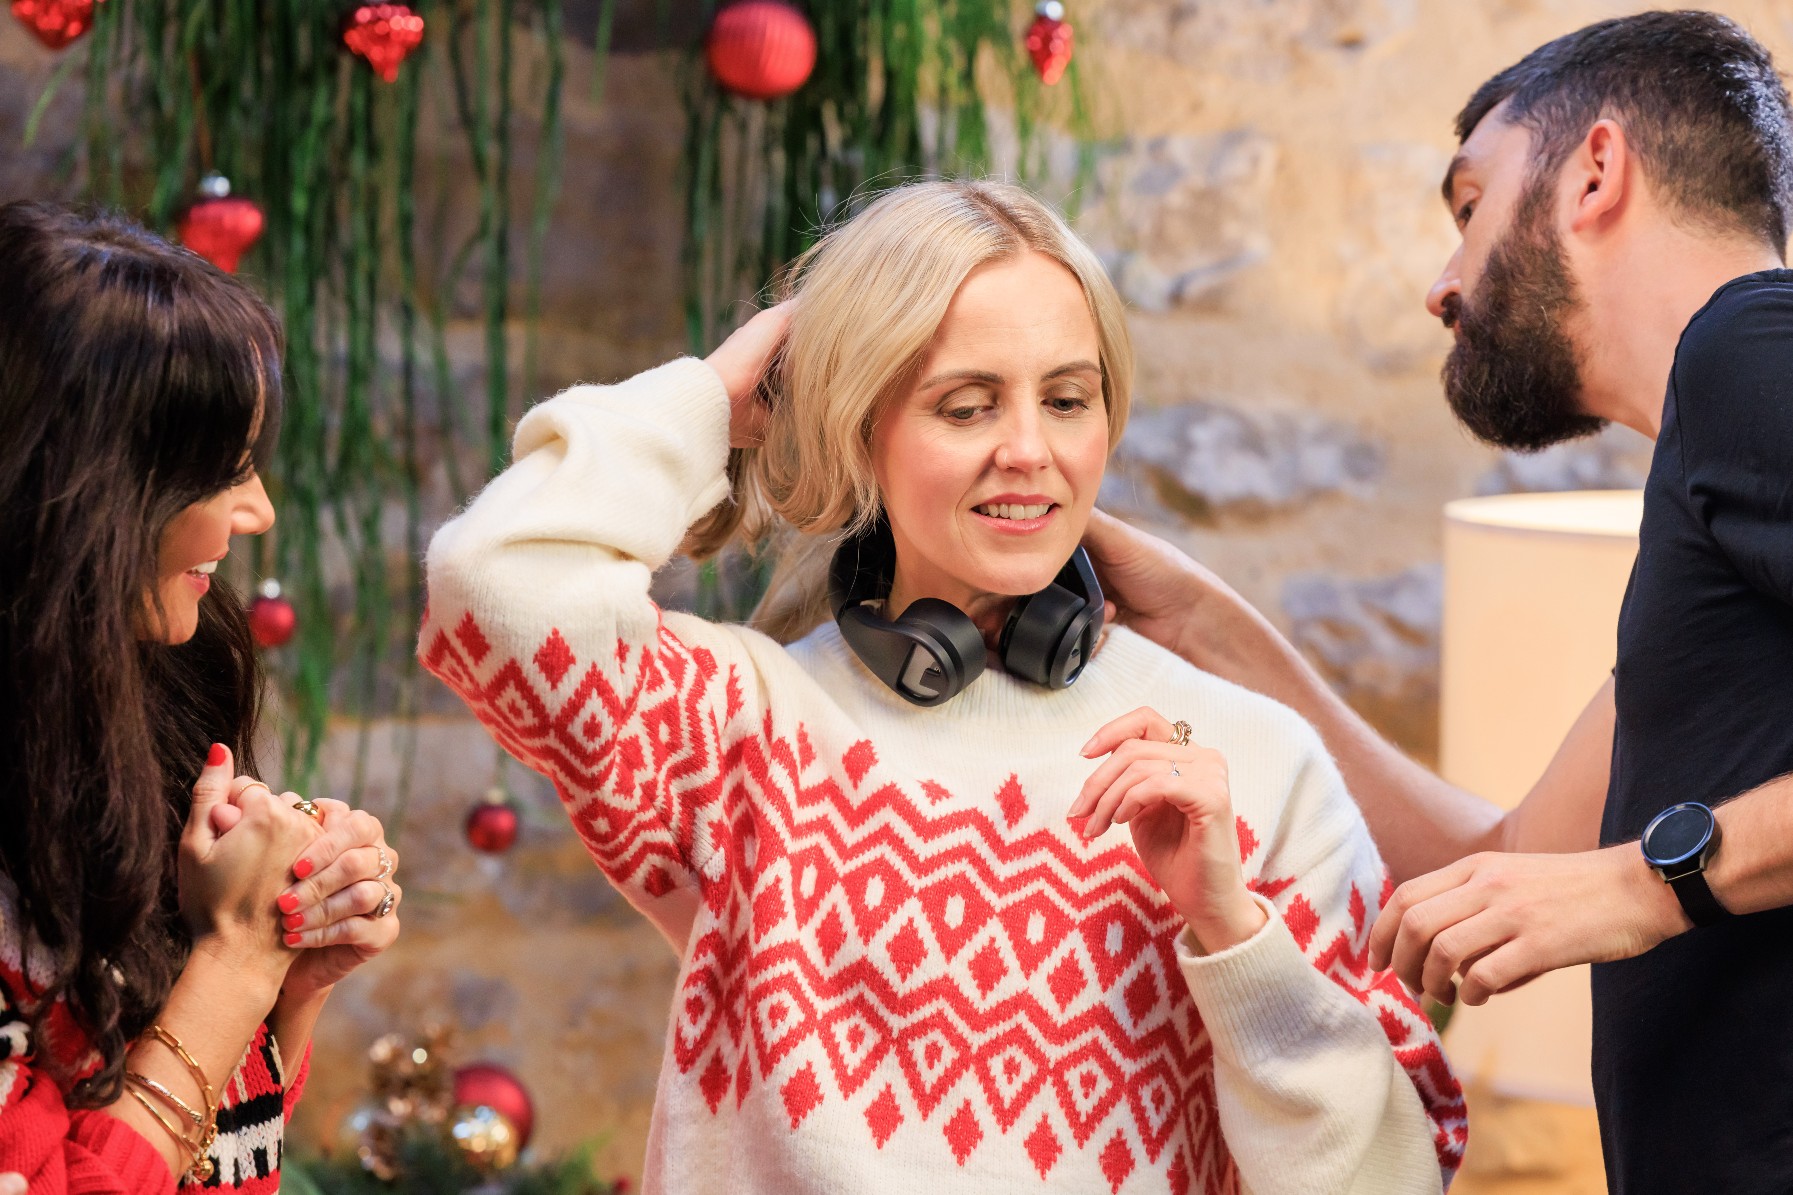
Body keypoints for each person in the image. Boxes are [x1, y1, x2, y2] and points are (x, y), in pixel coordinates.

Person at [421, 179, 1465, 1193]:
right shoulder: (737, 733)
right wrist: (719, 392)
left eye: (1066, 398)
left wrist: (1234, 939)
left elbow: (1392, 1177)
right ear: (858, 427)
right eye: (964, 407)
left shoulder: (1251, 762)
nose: (1028, 451)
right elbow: (492, 582)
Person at [1079, 11, 1793, 1195]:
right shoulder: (1712, 477)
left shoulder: (1751, 351)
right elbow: (1502, 856)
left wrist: (1639, 885)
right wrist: (1205, 626)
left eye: (1468, 206)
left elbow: (1594, 878)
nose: (1439, 283)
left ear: (1594, 173)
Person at [0, 202, 404, 1192]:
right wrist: (234, 959)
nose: (258, 512)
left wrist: (283, 986)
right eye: (222, 474)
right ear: (92, 488)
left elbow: (189, 1161)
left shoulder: (120, 716)